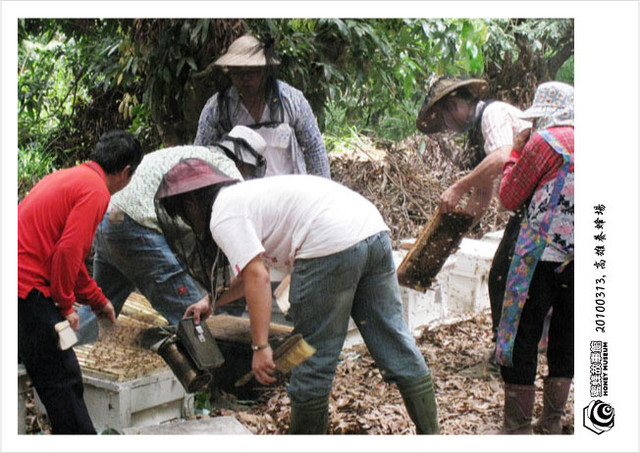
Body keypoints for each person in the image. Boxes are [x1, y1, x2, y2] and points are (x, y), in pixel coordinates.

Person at [154, 159, 440, 434]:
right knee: (394, 339)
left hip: (327, 242)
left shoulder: (223, 215)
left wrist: (260, 346)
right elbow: (253, 271)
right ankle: (431, 435)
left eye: (183, 215)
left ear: (191, 204)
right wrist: (212, 301)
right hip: (371, 230)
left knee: (312, 359)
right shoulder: (243, 197)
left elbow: (258, 277)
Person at [76, 127, 259, 344]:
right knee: (193, 311)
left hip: (108, 219)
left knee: (99, 305)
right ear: (245, 162)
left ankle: (60, 350)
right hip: (135, 223)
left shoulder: (192, 154)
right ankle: (211, 373)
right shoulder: (227, 171)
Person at [18, 130, 143, 434]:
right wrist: (65, 306)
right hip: (25, 288)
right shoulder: (96, 191)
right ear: (126, 172)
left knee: (58, 369)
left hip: (21, 284)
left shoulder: (70, 176)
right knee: (63, 379)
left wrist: (98, 300)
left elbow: (70, 260)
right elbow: (67, 253)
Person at [416, 76, 532, 368]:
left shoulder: (492, 114)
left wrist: (457, 187)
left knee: (502, 275)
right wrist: (452, 235)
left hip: (544, 201)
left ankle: (507, 356)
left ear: (455, 104)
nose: (446, 125)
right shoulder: (479, 133)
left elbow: (504, 156)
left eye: (443, 116)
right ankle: (512, 351)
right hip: (532, 206)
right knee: (507, 275)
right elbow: (483, 193)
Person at [495, 81, 574, 434]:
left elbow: (510, 196)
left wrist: (515, 150)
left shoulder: (545, 142)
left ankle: (518, 429)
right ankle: (553, 422)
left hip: (540, 258)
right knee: (566, 333)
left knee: (523, 335)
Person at [194, 34, 330, 179]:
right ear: (230, 72)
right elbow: (201, 155)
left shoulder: (291, 101)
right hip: (243, 195)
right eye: (239, 72)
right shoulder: (217, 108)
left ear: (264, 70)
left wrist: (323, 189)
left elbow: (314, 147)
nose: (245, 78)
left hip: (288, 192)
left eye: (251, 72)